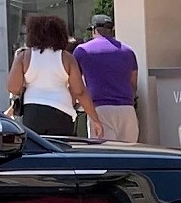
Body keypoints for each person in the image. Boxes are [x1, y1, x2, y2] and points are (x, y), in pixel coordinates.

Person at [8, 13, 83, 139]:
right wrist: (95, 119)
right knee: (61, 151)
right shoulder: (66, 58)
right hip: (62, 110)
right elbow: (79, 91)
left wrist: (26, 88)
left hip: (32, 110)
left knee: (37, 152)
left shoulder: (24, 56)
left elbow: (12, 87)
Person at [73, 13, 140, 142]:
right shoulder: (128, 51)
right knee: (129, 156)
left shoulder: (82, 51)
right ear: (112, 29)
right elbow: (133, 83)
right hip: (127, 109)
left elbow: (75, 83)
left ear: (93, 30)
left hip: (100, 109)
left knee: (104, 156)